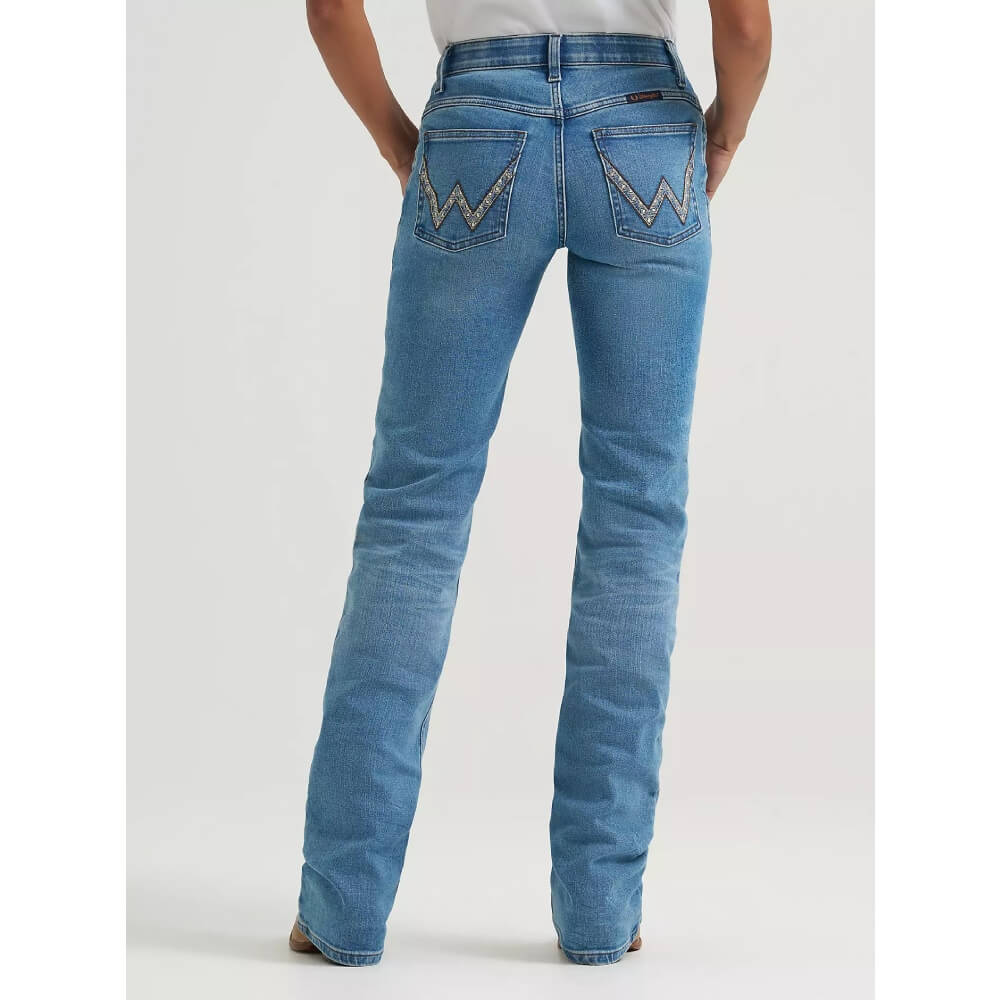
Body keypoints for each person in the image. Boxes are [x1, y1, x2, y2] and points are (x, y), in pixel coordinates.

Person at [290, 0, 771, 967]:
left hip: (477, 122)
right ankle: (600, 915)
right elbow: (748, 26)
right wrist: (727, 127)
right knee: (636, 515)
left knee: (413, 515)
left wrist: (397, 139)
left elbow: (332, 9)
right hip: (645, 127)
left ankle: (342, 913)